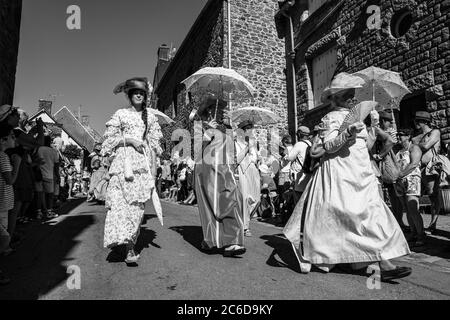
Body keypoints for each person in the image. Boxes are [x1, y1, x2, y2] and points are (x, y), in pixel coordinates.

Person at [284, 72, 411, 281]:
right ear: (338, 97)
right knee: (349, 215)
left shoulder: (358, 116)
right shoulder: (330, 118)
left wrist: (371, 128)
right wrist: (348, 132)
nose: (354, 97)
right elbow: (330, 146)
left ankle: (382, 260)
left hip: (361, 173)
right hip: (340, 173)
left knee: (372, 213)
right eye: (349, 94)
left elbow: (366, 147)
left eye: (354, 94)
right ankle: (372, 261)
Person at [102, 77, 162, 265]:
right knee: (120, 205)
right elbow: (108, 141)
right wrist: (128, 140)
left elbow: (155, 146)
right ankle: (120, 239)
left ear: (146, 96)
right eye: (135, 92)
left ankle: (129, 246)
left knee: (136, 208)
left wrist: (153, 170)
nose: (139, 95)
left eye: (142, 93)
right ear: (129, 95)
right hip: (122, 164)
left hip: (141, 166)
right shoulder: (120, 114)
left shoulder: (150, 117)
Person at [191, 97, 245, 257]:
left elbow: (231, 150)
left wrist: (229, 127)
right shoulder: (199, 126)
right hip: (207, 170)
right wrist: (207, 132)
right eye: (219, 109)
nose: (222, 112)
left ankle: (233, 241)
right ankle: (211, 240)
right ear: (209, 111)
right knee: (211, 204)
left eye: (223, 109)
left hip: (224, 169)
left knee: (230, 199)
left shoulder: (225, 128)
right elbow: (195, 151)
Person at [395, 128, 425, 247]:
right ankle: (413, 233)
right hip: (400, 181)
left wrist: (401, 173)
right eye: (398, 135)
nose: (398, 137)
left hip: (412, 179)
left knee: (412, 207)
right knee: (406, 208)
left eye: (401, 135)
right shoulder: (399, 151)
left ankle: (421, 234)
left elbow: (414, 163)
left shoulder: (414, 148)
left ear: (408, 136)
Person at [412, 111, 441, 233]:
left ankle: (433, 224)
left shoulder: (434, 132)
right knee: (415, 196)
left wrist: (415, 142)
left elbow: (425, 146)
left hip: (430, 168)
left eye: (417, 121)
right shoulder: (418, 135)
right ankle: (418, 226)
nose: (415, 123)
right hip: (418, 168)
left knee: (433, 195)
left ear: (424, 122)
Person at [0, 125, 20, 283]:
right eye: (12, 136)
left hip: (3, 203)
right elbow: (10, 180)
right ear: (3, 140)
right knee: (4, 239)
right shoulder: (3, 157)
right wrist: (17, 164)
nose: (15, 138)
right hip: (2, 204)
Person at [235, 120, 260, 237]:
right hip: (242, 170)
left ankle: (244, 219)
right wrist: (247, 148)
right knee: (245, 198)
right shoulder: (236, 143)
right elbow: (237, 160)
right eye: (250, 131)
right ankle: (245, 226)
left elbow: (255, 157)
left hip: (253, 171)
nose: (252, 133)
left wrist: (258, 159)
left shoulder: (253, 143)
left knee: (256, 199)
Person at [287, 126, 313, 205]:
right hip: (309, 175)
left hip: (299, 176)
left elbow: (290, 158)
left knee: (298, 202)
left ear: (299, 134)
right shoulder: (311, 143)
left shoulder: (299, 144)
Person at [37, 135, 60, 219]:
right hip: (49, 175)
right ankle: (49, 212)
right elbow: (56, 166)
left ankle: (39, 212)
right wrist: (58, 176)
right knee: (49, 195)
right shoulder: (54, 152)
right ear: (50, 142)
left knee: (40, 194)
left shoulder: (39, 149)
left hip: (38, 175)